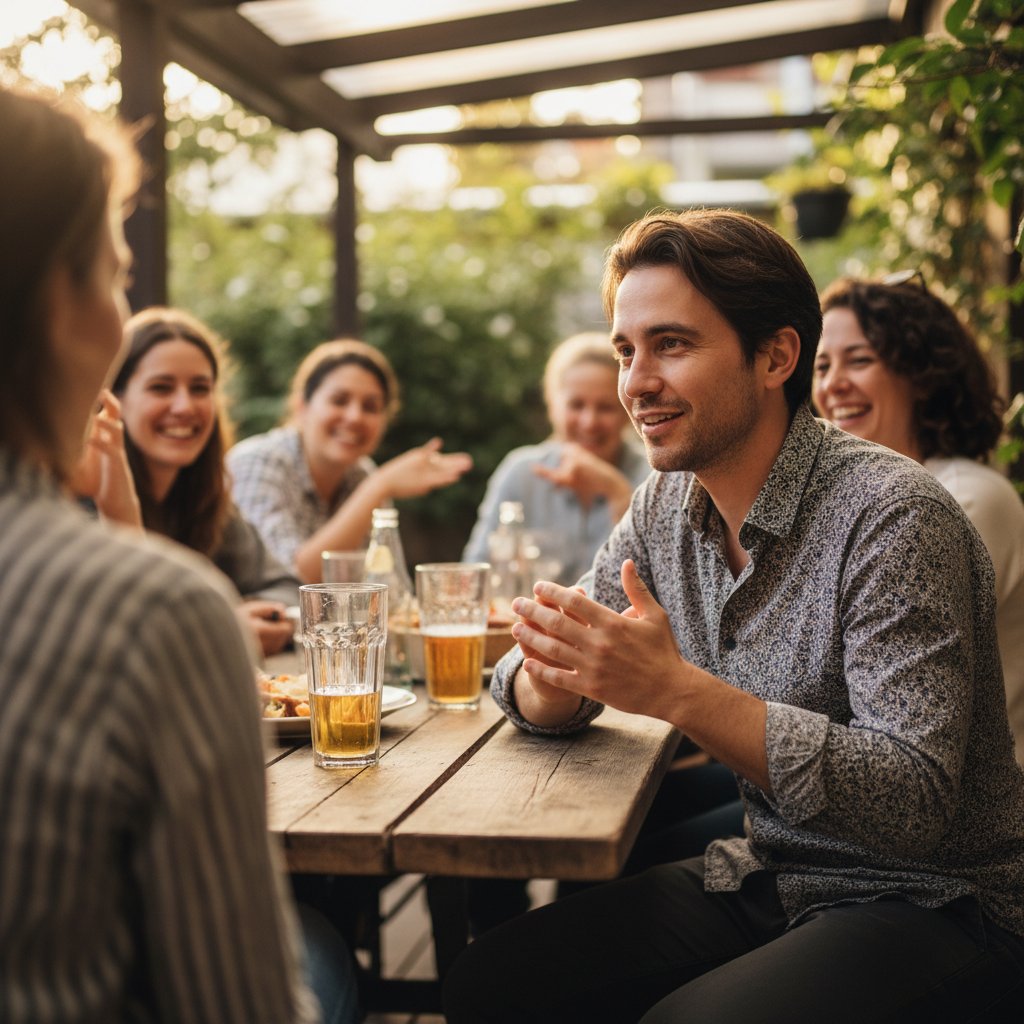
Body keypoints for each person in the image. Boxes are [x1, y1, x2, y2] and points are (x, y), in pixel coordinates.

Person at [441, 209, 1024, 1023]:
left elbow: (912, 800)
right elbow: (530, 669)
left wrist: (674, 690)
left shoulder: (893, 514)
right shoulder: (666, 506)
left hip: (939, 900)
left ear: (776, 356)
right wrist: (555, 680)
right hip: (776, 871)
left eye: (671, 345)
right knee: (491, 980)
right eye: (625, 350)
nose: (635, 382)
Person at [0, 85, 333, 1022]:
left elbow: (279, 581)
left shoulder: (202, 503)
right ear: (61, 303)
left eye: (201, 389)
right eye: (114, 276)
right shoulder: (153, 612)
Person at [814, 275, 1024, 765]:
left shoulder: (964, 498)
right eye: (822, 366)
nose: (832, 384)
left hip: (968, 795)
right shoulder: (861, 498)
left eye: (859, 360)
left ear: (921, 374)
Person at [104, 306, 298, 657]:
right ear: (116, 399)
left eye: (200, 388)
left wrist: (250, 619)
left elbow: (287, 589)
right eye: (161, 387)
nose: (184, 406)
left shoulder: (209, 501)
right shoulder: (91, 502)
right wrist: (222, 626)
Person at [228, 338, 472, 582]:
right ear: (302, 407)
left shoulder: (362, 474)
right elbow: (287, 579)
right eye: (339, 400)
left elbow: (383, 583)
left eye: (370, 407)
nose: (355, 417)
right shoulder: (257, 462)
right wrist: (378, 487)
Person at [463, 331, 650, 586]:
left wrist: (618, 493)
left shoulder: (654, 476)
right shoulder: (521, 472)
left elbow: (664, 584)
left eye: (605, 407)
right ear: (552, 406)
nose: (589, 422)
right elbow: (474, 575)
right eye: (576, 405)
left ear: (627, 410)